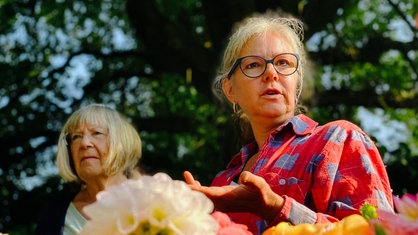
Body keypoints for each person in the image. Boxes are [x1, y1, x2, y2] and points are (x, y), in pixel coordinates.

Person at [184, 10, 394, 235]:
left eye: (283, 62)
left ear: (296, 82)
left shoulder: (340, 140)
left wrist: (276, 208)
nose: (271, 73)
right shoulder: (221, 181)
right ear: (230, 90)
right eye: (253, 65)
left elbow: (378, 231)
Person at [35, 103, 143, 235]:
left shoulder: (155, 199)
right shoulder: (53, 215)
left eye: (97, 133)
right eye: (76, 137)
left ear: (121, 143)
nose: (84, 143)